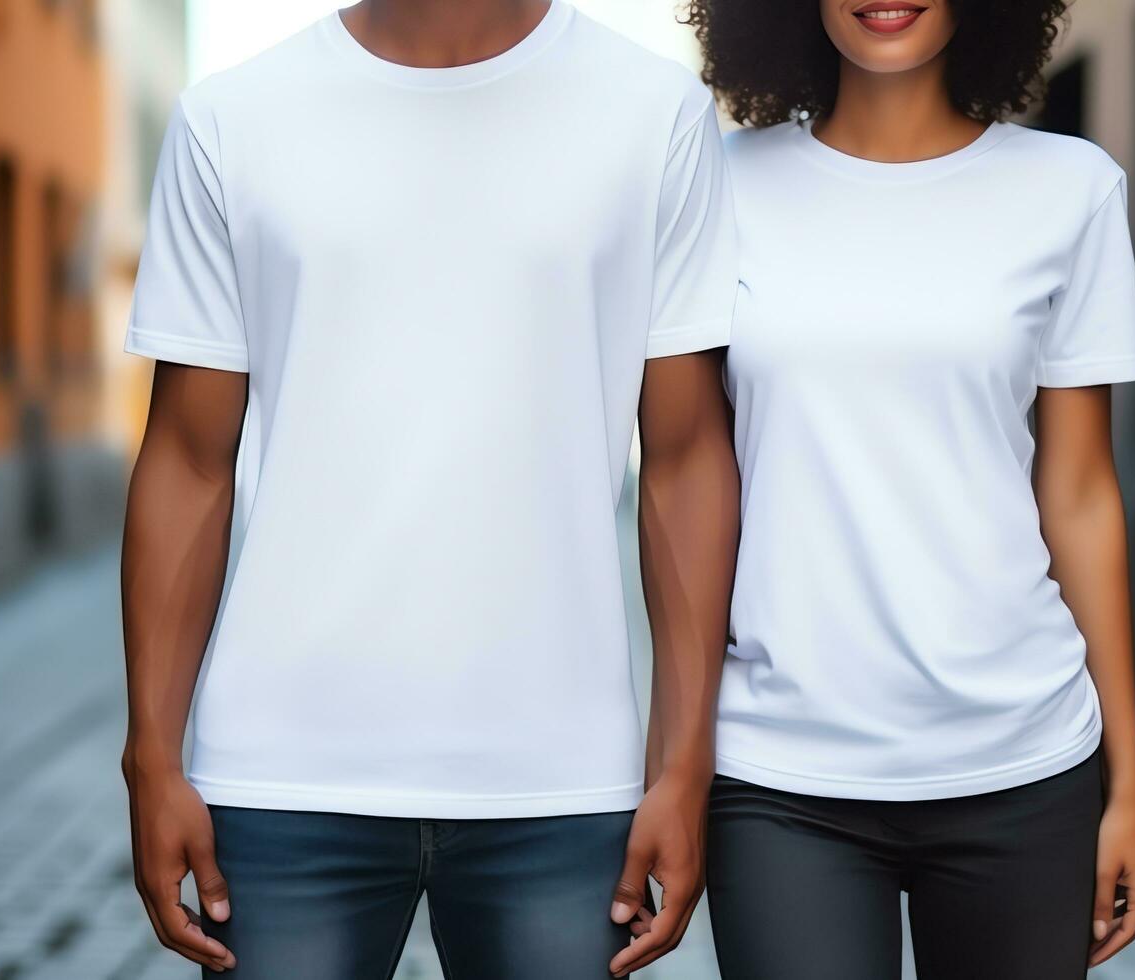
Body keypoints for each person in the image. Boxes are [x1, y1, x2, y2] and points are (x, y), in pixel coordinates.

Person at [119, 2, 740, 977]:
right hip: (282, 778)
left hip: (561, 785)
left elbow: (686, 452)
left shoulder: (651, 112)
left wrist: (683, 760)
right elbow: (188, 458)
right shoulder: (231, 119)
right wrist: (151, 753)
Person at [688, 1, 1135, 977]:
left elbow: (1076, 493)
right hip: (780, 772)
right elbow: (688, 476)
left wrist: (1128, 784)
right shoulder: (718, 189)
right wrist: (674, 758)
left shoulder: (1068, 189)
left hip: (1023, 763)